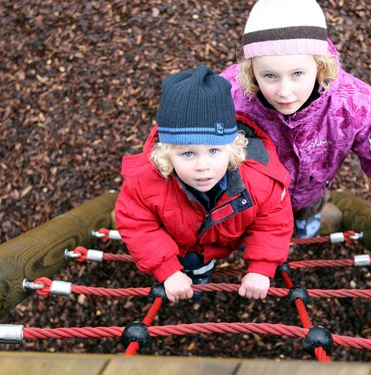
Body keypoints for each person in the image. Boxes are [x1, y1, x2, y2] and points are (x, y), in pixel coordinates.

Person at [220, 0, 371, 257]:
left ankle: (307, 230)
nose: (284, 92)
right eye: (270, 76)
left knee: (309, 214)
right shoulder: (231, 94)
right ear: (251, 71)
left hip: (311, 190)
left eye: (297, 74)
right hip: (255, 197)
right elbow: (185, 131)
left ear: (320, 65)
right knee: (253, 233)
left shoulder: (352, 103)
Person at [114, 65, 293, 302]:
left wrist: (261, 266)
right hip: (183, 247)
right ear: (167, 154)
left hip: (232, 237)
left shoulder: (260, 180)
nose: (202, 165)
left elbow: (273, 222)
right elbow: (136, 222)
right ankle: (196, 279)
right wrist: (167, 270)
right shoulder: (146, 183)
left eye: (214, 151)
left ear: (232, 149)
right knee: (191, 266)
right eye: (188, 154)